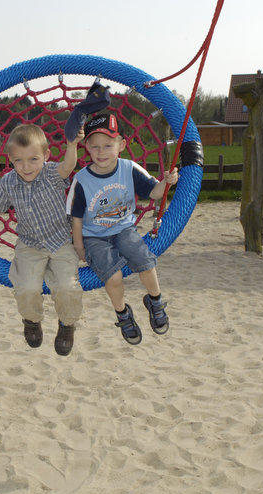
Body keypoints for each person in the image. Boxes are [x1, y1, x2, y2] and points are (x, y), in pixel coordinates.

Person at [0, 124, 83, 356]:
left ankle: (67, 325)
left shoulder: (52, 173)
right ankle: (32, 321)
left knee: (67, 287)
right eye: (19, 161)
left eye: (33, 159)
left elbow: (69, 165)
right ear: (10, 159)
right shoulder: (8, 182)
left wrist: (72, 145)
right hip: (30, 244)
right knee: (26, 287)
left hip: (61, 241)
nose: (26, 166)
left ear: (46, 156)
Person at [67, 113, 179, 345]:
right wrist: (78, 246)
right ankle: (123, 314)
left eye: (108, 145)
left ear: (121, 145)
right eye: (95, 146)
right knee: (113, 275)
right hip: (93, 237)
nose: (101, 152)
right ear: (86, 147)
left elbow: (154, 193)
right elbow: (76, 218)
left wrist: (167, 181)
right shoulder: (82, 179)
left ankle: (155, 300)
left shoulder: (128, 168)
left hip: (124, 229)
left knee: (144, 260)